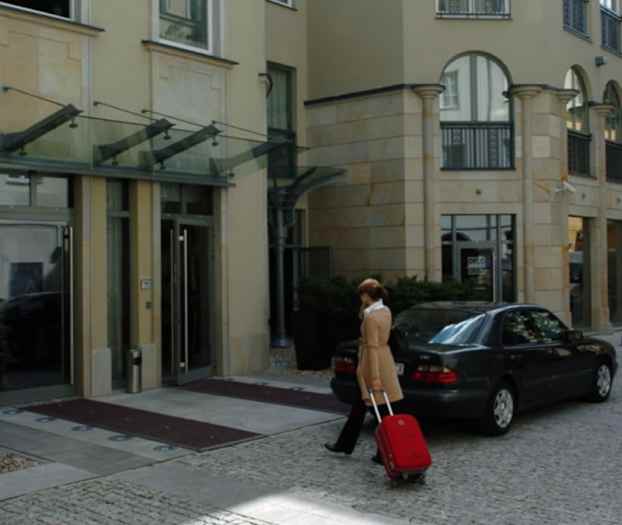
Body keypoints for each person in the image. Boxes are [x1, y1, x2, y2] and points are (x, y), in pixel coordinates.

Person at [324, 278, 404, 463]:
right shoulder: (385, 311)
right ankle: (346, 444)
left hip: (372, 362)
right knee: (363, 406)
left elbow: (372, 347)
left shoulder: (371, 317)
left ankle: (382, 453)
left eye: (362, 295)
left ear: (366, 295)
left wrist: (374, 377)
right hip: (384, 358)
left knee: (379, 409)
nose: (360, 298)